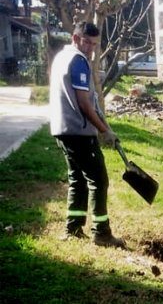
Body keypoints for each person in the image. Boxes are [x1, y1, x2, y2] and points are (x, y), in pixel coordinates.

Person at [49, 21, 125, 248]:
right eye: (87, 42)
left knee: (77, 178)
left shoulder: (62, 57)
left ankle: (72, 228)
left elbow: (87, 99)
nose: (91, 48)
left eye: (94, 44)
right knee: (99, 180)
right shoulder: (78, 61)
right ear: (75, 38)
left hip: (62, 129)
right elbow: (83, 103)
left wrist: (104, 124)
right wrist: (105, 132)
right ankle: (101, 233)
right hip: (78, 131)